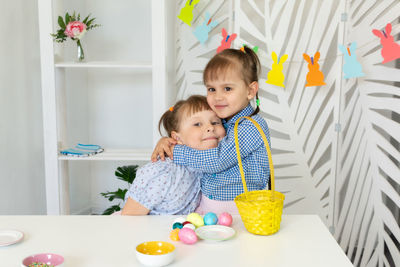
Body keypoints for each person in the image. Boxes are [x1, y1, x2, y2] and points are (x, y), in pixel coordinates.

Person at [151, 46, 271, 215]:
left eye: (227, 89)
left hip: (240, 209)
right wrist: (169, 141)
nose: (218, 97)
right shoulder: (219, 120)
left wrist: (175, 151)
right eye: (211, 89)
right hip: (208, 205)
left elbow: (217, 160)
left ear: (250, 91)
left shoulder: (250, 126)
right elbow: (195, 140)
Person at [121, 95, 225, 215]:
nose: (210, 127)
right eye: (197, 124)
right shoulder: (165, 172)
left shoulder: (210, 164)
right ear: (177, 137)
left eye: (215, 122)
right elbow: (129, 218)